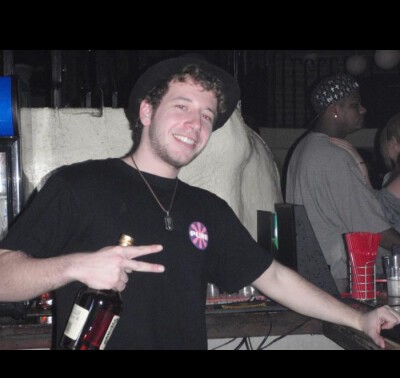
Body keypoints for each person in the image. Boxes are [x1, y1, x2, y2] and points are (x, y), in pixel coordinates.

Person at [0, 58, 399, 350]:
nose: (196, 124)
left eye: (207, 116)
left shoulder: (207, 209)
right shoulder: (79, 184)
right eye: (182, 106)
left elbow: (274, 278)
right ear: (146, 111)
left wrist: (359, 317)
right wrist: (75, 266)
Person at [286, 73, 400, 294]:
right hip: (339, 277)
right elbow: (372, 226)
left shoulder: (304, 148)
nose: (363, 110)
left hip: (316, 270)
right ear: (335, 110)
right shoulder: (333, 156)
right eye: (355, 105)